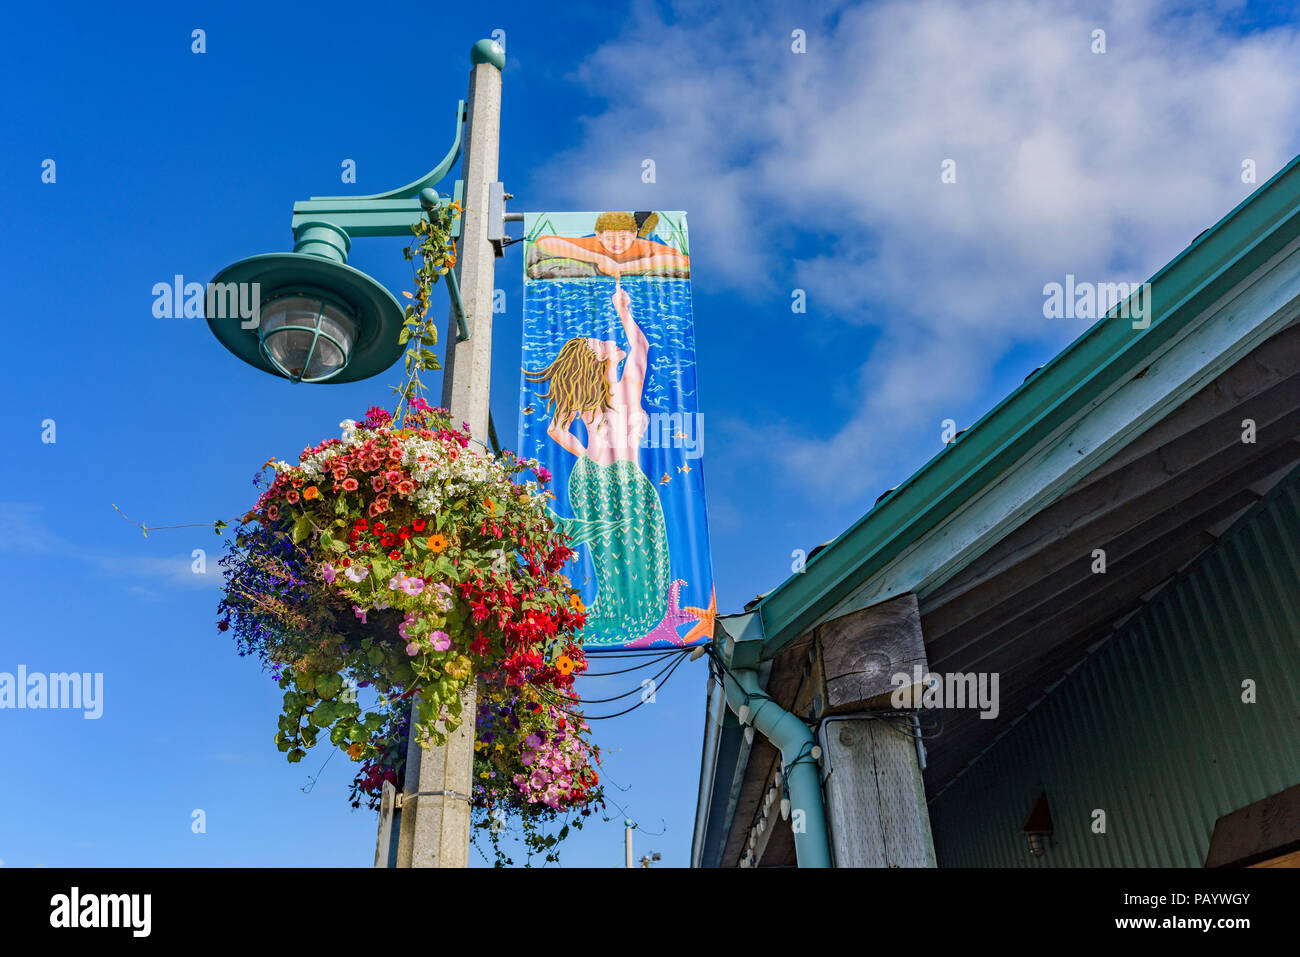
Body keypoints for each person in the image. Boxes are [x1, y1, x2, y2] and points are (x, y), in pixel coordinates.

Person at [524, 282, 673, 642]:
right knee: (640, 552)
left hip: (591, 478)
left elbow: (556, 431)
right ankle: (634, 617)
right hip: (622, 478)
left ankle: (614, 613)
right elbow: (641, 346)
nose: (606, 341)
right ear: (600, 358)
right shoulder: (624, 389)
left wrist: (587, 455)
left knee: (613, 556)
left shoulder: (593, 399)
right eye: (599, 343)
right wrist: (623, 310)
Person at [533, 211, 689, 277]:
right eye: (610, 238)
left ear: (633, 235)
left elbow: (681, 259)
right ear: (599, 235)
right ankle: (640, 226)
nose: (616, 244)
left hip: (639, 248)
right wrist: (599, 259)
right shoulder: (593, 241)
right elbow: (544, 241)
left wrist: (622, 268)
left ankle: (643, 228)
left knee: (649, 240)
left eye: (622, 238)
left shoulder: (643, 245)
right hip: (598, 250)